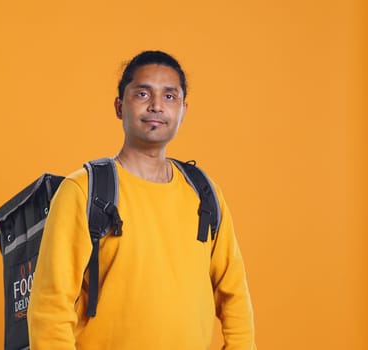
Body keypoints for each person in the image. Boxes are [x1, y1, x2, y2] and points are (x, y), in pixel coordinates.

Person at [27, 50, 256, 349]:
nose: (157, 106)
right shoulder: (83, 191)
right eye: (143, 93)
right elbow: (50, 306)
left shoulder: (204, 193)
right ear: (119, 106)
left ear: (183, 110)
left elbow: (234, 293)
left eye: (170, 96)